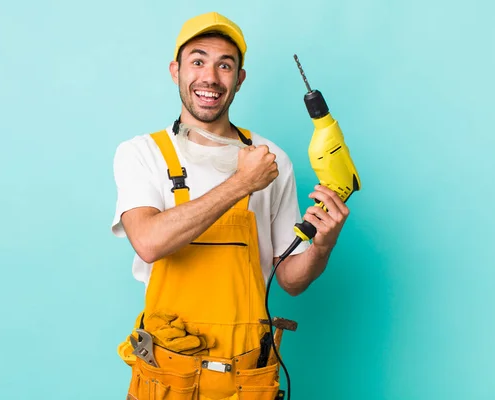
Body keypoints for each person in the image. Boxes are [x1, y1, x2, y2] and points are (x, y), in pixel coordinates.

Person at [111, 11, 350, 399]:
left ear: (239, 79)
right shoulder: (143, 153)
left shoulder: (272, 160)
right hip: (168, 373)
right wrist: (241, 184)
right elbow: (149, 242)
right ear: (176, 71)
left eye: (225, 65)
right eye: (198, 61)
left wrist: (323, 245)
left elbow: (289, 280)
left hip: (246, 378)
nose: (210, 77)